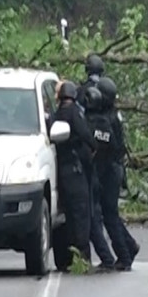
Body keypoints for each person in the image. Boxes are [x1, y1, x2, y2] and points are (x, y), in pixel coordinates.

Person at [87, 84, 137, 271]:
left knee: (109, 215)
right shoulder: (113, 115)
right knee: (111, 214)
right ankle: (129, 247)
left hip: (109, 170)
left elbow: (106, 147)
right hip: (114, 168)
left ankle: (124, 256)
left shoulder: (106, 120)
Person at [52, 81, 95, 270]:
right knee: (81, 215)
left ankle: (67, 259)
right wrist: (95, 148)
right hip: (75, 171)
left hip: (61, 172)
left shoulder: (55, 116)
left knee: (68, 216)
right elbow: (86, 135)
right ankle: (84, 259)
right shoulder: (74, 113)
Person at [82, 82, 116, 271]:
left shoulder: (88, 123)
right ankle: (109, 257)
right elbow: (112, 147)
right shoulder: (104, 122)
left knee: (93, 219)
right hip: (102, 174)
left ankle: (107, 258)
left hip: (92, 175)